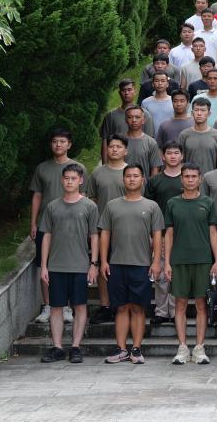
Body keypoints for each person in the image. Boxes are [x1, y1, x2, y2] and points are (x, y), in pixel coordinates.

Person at [99, 164, 164, 365]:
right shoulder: (112, 205)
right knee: (120, 308)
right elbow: (105, 233)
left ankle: (136, 349)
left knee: (138, 308)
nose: (132, 179)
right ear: (123, 180)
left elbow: (158, 235)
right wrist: (103, 260)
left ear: (143, 180)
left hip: (141, 265)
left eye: (136, 176)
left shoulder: (151, 206)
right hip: (116, 264)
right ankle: (121, 349)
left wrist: (156, 261)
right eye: (128, 176)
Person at [38, 164, 98, 364]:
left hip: (80, 265)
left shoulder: (89, 206)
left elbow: (94, 236)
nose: (69, 181)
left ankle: (75, 347)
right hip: (56, 266)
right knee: (55, 307)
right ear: (62, 180)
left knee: (80, 306)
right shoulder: (52, 206)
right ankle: (57, 347)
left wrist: (94, 263)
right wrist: (44, 265)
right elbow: (46, 236)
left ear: (81, 180)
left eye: (73, 178)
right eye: (66, 178)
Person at [164, 163, 217, 365]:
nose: (190, 180)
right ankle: (182, 347)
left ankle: (199, 347)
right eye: (186, 176)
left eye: (193, 176)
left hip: (203, 260)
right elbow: (169, 233)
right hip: (179, 260)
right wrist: (167, 262)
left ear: (200, 179)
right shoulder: (172, 203)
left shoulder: (208, 202)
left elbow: (213, 232)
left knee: (201, 305)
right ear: (181, 179)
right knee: (179, 304)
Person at [30, 129, 88, 324]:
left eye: (62, 141)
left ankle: (67, 307)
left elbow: (84, 196)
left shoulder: (78, 168)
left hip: (72, 225)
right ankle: (48, 305)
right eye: (55, 141)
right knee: (44, 265)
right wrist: (33, 223)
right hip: (47, 224)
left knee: (70, 266)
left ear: (69, 144)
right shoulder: (42, 168)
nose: (58, 145)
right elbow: (37, 195)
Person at [88, 135, 127, 324]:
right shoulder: (97, 173)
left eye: (119, 146)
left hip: (127, 229)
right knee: (103, 266)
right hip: (103, 228)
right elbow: (92, 200)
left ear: (126, 150)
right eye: (111, 146)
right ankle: (105, 306)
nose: (114, 149)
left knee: (123, 268)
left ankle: (123, 305)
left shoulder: (131, 172)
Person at [145, 142, 184, 325]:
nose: (173, 156)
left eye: (176, 153)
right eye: (169, 153)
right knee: (160, 273)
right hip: (159, 232)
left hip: (182, 232)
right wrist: (152, 235)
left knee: (177, 273)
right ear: (163, 156)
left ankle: (176, 310)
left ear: (182, 156)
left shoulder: (187, 178)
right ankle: (161, 310)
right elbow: (148, 208)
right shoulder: (155, 181)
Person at [100, 79, 153, 163]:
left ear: (135, 91)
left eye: (129, 90)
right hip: (116, 162)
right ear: (119, 93)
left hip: (138, 161)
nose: (126, 93)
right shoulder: (111, 116)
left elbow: (150, 142)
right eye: (123, 90)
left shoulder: (145, 115)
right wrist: (104, 164)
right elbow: (105, 141)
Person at [178, 96, 217, 175]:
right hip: (189, 179)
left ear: (209, 113)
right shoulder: (184, 135)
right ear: (192, 113)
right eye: (196, 110)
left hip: (211, 179)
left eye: (203, 110)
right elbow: (180, 161)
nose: (199, 113)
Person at [124, 106, 163, 180]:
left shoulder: (151, 143)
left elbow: (155, 168)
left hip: (144, 185)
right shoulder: (119, 141)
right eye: (130, 117)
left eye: (137, 117)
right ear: (126, 120)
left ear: (143, 120)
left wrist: (151, 185)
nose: (134, 120)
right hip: (121, 185)